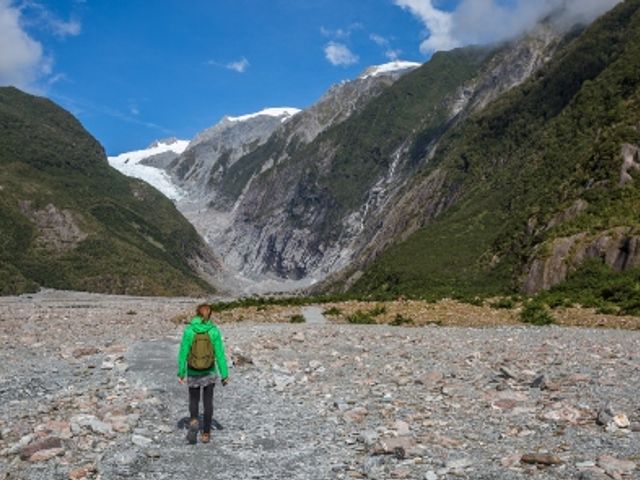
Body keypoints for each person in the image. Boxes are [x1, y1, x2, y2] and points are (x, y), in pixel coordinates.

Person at [177, 303, 229, 444]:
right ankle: (206, 433)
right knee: (208, 402)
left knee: (194, 399)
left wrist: (181, 372)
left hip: (193, 370)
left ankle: (194, 421)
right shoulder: (213, 330)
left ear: (196, 314)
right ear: (210, 314)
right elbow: (219, 354)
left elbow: (183, 352)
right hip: (210, 371)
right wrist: (225, 374)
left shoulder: (189, 330)